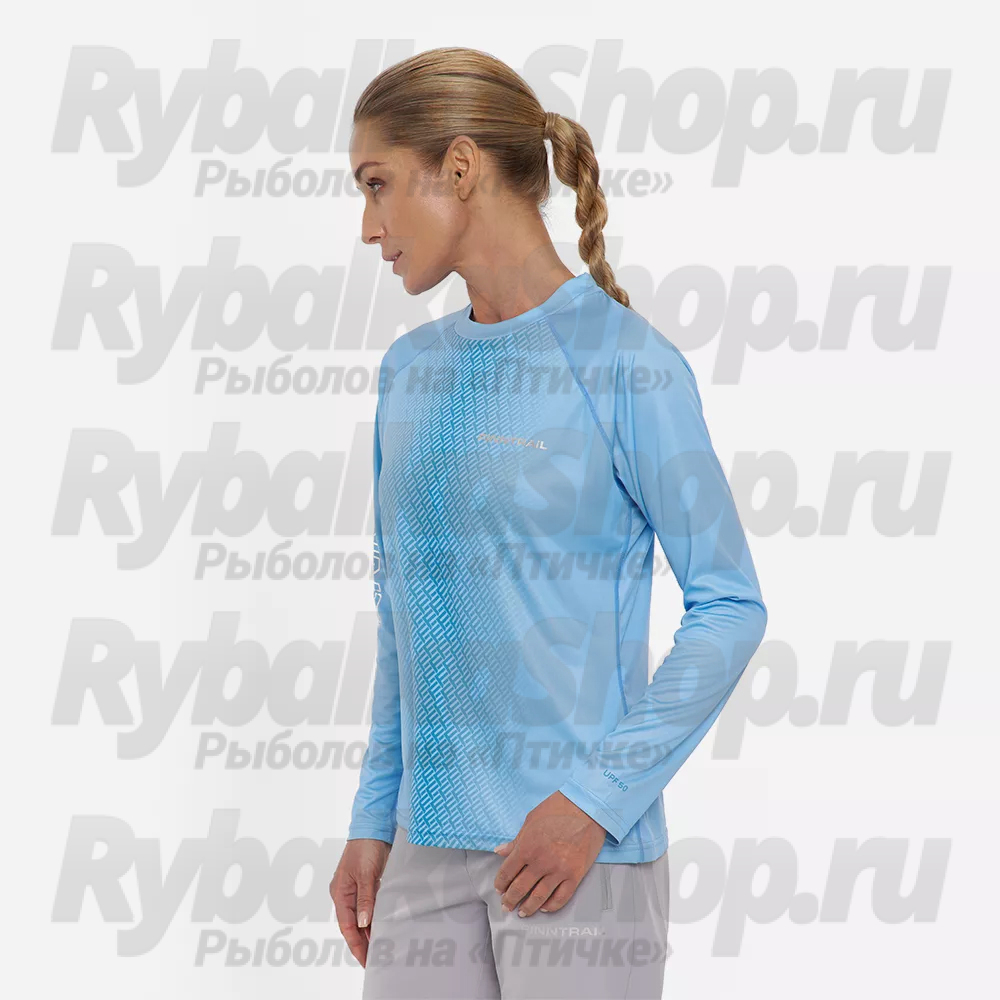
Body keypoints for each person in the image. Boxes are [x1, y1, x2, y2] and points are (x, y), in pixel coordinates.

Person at [330, 47, 768, 999]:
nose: (368, 226)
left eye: (377, 184)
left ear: (458, 166)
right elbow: (406, 619)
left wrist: (594, 806)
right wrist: (374, 818)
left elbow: (730, 606)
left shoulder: (627, 365)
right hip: (423, 853)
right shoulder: (410, 375)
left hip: (576, 862)